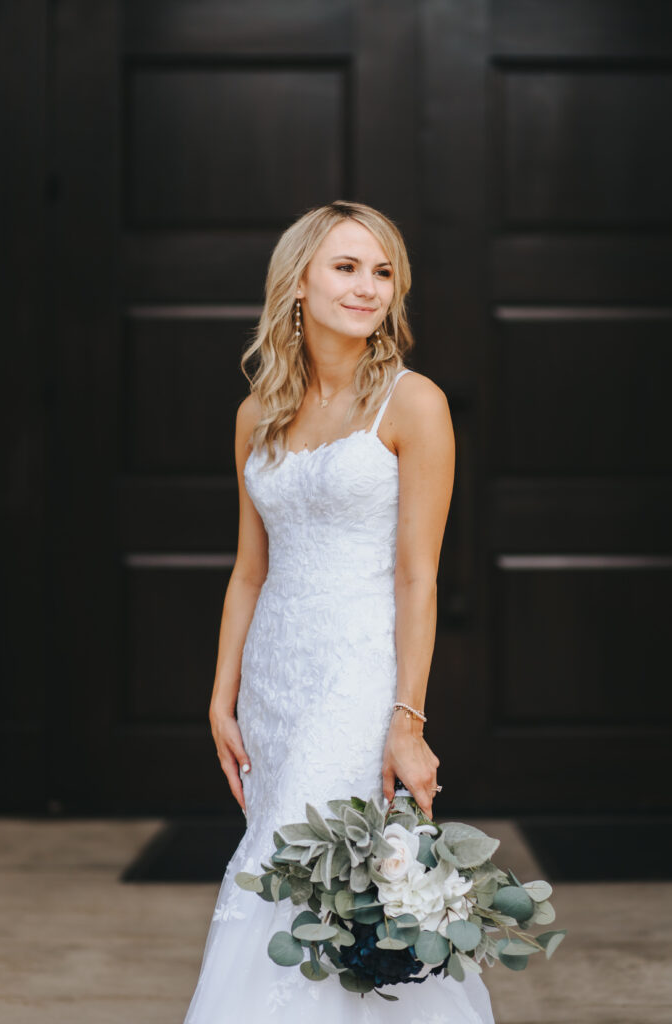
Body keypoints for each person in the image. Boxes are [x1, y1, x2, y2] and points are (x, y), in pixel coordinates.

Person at [183, 200, 494, 1022]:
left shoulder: (413, 402)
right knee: (284, 866)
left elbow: (416, 576)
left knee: (327, 870)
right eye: (347, 267)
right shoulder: (258, 414)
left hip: (358, 677)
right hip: (275, 679)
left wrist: (406, 719)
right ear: (298, 284)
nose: (368, 287)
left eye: (383, 271)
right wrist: (222, 694)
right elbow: (249, 572)